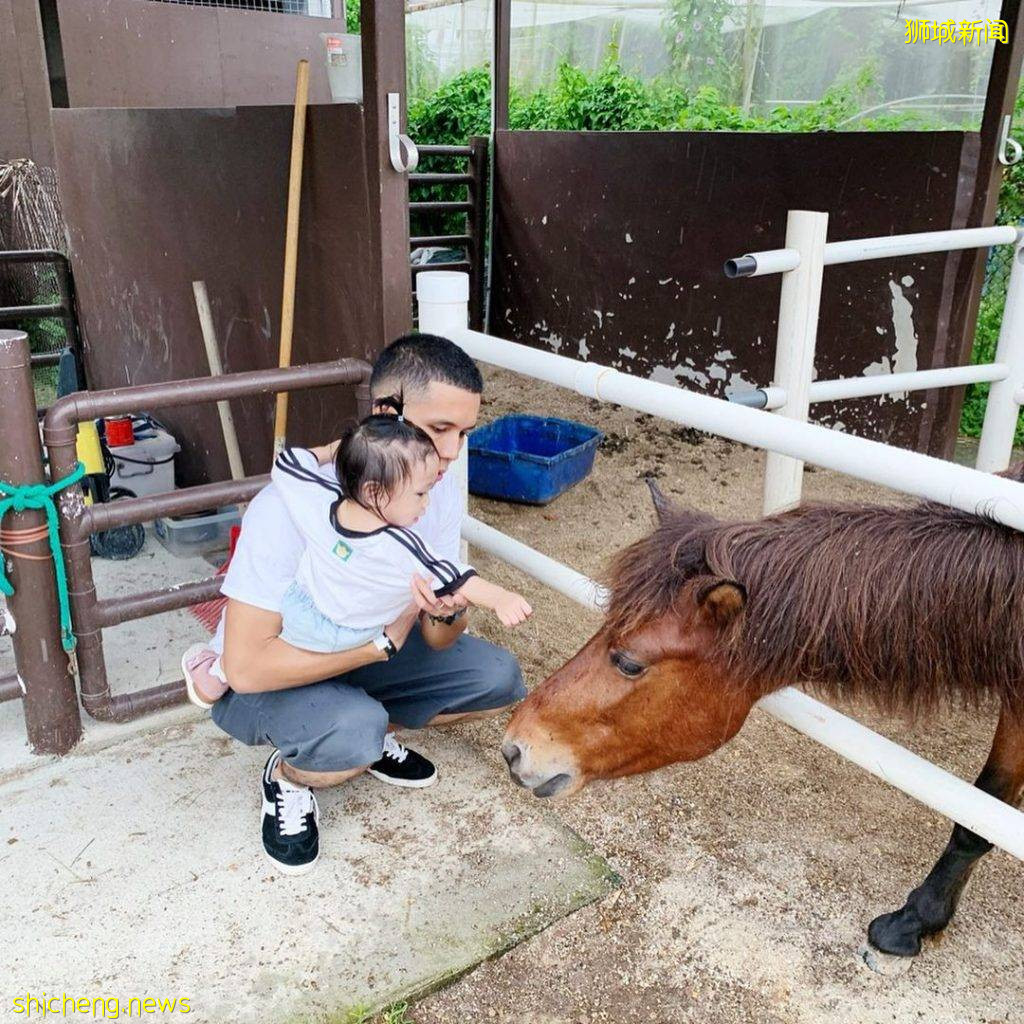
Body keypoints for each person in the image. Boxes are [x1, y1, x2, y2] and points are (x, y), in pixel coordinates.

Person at [181, 334, 527, 875]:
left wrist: (446, 611)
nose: (453, 452)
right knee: (351, 731)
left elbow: (438, 638)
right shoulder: (292, 505)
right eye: (440, 429)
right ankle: (290, 777)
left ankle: (367, 732)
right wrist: (376, 650)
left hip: (367, 643)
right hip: (267, 672)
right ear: (387, 413)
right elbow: (247, 668)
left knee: (499, 678)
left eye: (464, 433)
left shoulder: (432, 484)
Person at [184, 409, 531, 704]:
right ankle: (231, 673)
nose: (427, 503)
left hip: (300, 615)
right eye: (421, 494)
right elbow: (458, 576)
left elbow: (288, 464)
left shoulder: (317, 502)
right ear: (375, 492)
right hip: (352, 636)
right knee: (284, 661)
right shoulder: (401, 545)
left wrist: (331, 450)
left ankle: (218, 670)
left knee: (273, 649)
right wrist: (501, 598)